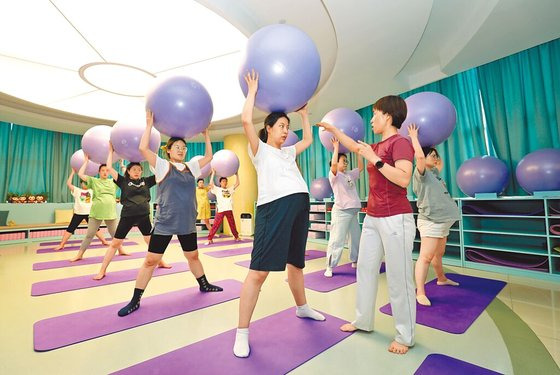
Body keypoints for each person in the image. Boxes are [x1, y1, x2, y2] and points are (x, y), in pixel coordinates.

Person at [233, 70, 325, 358]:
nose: (286, 131)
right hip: (273, 209)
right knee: (258, 272)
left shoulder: (288, 153)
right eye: (281, 126)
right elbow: (246, 120)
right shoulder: (259, 150)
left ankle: (302, 307)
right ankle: (242, 332)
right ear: (269, 129)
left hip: (299, 206)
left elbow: (308, 140)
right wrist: (252, 90)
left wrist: (305, 115)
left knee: (296, 264)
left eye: (287, 126)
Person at [318, 95, 416, 355]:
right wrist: (335, 131)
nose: (371, 119)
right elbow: (355, 145)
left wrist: (376, 159)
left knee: (399, 277)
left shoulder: (401, 143)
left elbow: (404, 179)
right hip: (372, 216)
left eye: (374, 114)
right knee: (365, 269)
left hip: (396, 217)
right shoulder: (376, 145)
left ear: (388, 115)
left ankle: (405, 336)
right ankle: (363, 320)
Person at [117, 111, 222, 317]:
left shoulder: (191, 166)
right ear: (168, 150)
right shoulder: (162, 165)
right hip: (165, 220)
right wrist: (148, 124)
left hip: (186, 221)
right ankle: (135, 299)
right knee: (151, 260)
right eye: (177, 147)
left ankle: (204, 284)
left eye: (184, 148)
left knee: (193, 255)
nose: (181, 150)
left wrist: (206, 133)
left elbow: (209, 157)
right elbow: (142, 148)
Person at [93, 145, 170, 280]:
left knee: (151, 242)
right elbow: (110, 168)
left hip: (144, 217)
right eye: (134, 169)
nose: (137, 171)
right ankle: (102, 270)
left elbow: (161, 171)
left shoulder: (146, 181)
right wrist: (111, 151)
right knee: (115, 244)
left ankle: (160, 262)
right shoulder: (123, 181)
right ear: (128, 171)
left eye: (139, 170)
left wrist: (155, 155)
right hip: (127, 216)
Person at [408, 124, 460, 306]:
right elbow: (420, 157)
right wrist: (414, 137)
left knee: (439, 254)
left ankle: (441, 278)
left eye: (435, 155)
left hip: (444, 221)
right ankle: (420, 292)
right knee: (426, 257)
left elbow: (439, 163)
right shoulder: (420, 173)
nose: (435, 157)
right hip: (431, 220)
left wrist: (436, 143)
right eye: (432, 155)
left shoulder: (435, 174)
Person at [71, 159, 126, 262]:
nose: (105, 172)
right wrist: (86, 161)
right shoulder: (94, 181)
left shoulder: (113, 182)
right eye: (103, 170)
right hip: (96, 212)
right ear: (99, 172)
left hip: (110, 212)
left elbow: (127, 178)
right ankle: (80, 254)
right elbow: (81, 174)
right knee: (90, 234)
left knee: (115, 234)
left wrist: (122, 165)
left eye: (107, 170)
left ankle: (121, 250)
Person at [324, 137, 364, 277]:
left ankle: (355, 260)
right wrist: (336, 148)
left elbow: (360, 168)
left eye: (346, 161)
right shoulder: (334, 175)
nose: (346, 163)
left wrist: (358, 152)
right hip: (341, 212)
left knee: (355, 238)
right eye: (343, 161)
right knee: (337, 240)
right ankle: (330, 266)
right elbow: (334, 165)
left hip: (353, 211)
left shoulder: (349, 175)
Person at [54, 169, 108, 250]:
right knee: (70, 229)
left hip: (90, 213)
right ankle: (62, 244)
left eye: (87, 183)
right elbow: (68, 184)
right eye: (83, 182)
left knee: (96, 229)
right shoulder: (77, 190)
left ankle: (104, 241)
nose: (85, 184)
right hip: (78, 213)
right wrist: (72, 172)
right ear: (81, 183)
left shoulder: (92, 190)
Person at [205, 170, 241, 245]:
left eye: (225, 181)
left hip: (229, 209)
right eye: (223, 181)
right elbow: (211, 183)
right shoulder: (217, 189)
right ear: (220, 183)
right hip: (221, 210)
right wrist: (214, 173)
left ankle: (236, 236)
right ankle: (209, 239)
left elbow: (237, 183)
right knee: (216, 225)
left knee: (232, 224)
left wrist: (237, 174)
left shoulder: (229, 189)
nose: (225, 182)